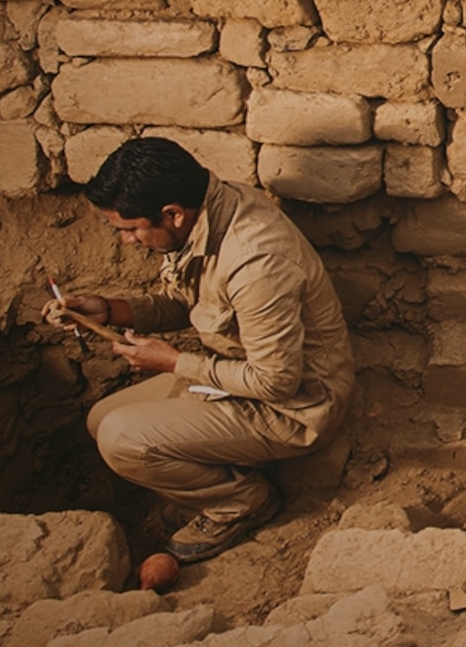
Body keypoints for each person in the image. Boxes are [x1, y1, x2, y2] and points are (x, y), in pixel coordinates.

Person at [53, 137, 356, 561]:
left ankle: (241, 501)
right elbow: (186, 304)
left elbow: (277, 382)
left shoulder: (255, 262)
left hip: (296, 407)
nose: (127, 242)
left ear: (172, 214)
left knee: (122, 440)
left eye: (130, 229)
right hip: (238, 376)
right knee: (99, 419)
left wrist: (175, 362)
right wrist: (109, 311)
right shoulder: (205, 215)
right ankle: (217, 474)